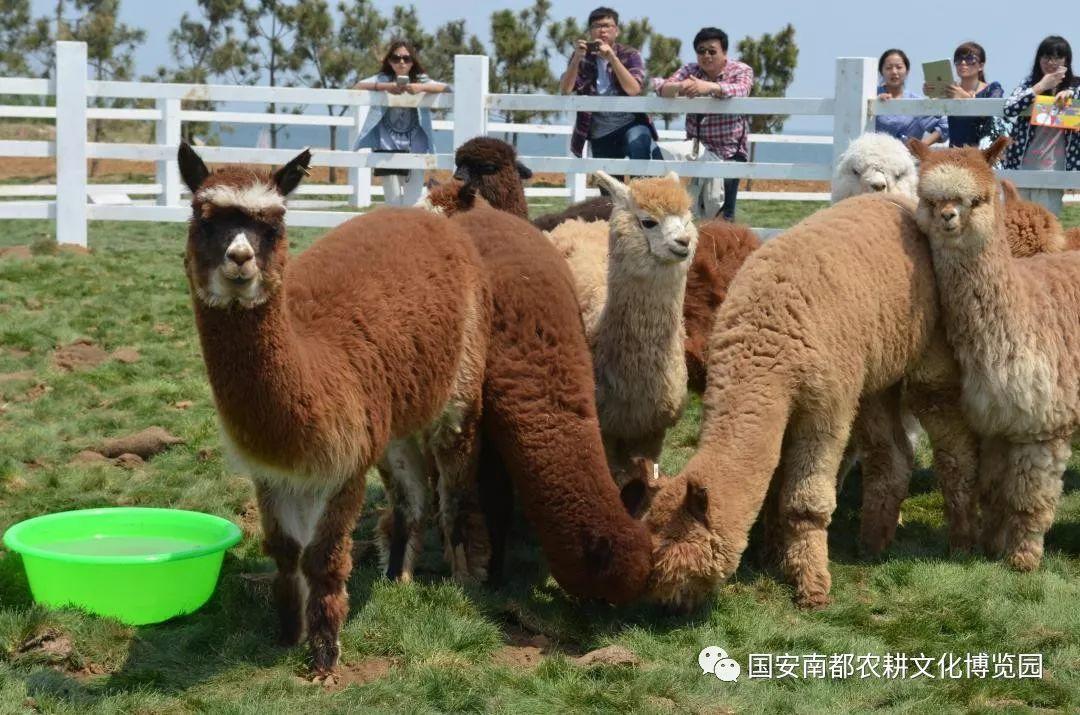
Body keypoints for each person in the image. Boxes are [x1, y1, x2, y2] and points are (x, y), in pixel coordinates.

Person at [658, 27, 754, 220]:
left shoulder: (741, 70)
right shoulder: (690, 70)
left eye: (712, 51)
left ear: (724, 52)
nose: (706, 55)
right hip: (697, 148)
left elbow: (742, 90)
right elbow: (661, 87)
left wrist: (708, 88)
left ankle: (724, 248)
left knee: (722, 214)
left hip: (730, 151)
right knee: (690, 210)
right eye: (701, 51)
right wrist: (681, 87)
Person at [353, 40, 448, 205]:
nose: (401, 62)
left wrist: (421, 88)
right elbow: (357, 87)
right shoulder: (383, 78)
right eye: (396, 58)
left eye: (406, 58)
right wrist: (385, 86)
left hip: (415, 148)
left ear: (413, 61)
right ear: (389, 61)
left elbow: (447, 89)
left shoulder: (420, 79)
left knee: (413, 202)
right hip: (386, 149)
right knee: (393, 203)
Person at [559, 6, 659, 161]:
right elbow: (566, 90)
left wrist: (613, 58)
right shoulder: (582, 57)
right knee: (608, 183)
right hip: (600, 131)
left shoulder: (630, 54)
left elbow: (634, 89)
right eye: (597, 26)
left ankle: (639, 186)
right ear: (590, 32)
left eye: (607, 26)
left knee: (639, 148)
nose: (602, 30)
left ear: (616, 31)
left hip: (631, 123)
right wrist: (576, 60)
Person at [1002, 35, 1080, 214]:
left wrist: (1069, 96)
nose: (1051, 62)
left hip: (1055, 168)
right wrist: (1040, 86)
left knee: (1046, 225)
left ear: (1067, 61)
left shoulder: (1076, 86)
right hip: (1021, 163)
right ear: (1038, 60)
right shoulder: (1029, 84)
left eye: (1058, 57)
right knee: (1017, 222)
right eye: (1046, 57)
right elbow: (1009, 109)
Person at [925, 41, 1003, 148]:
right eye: (958, 60)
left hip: (983, 154)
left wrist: (964, 97)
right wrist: (932, 93)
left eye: (970, 59)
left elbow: (992, 112)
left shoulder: (993, 88)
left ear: (981, 66)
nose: (963, 63)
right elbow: (935, 114)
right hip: (955, 153)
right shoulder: (950, 89)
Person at [874, 48, 948, 145]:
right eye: (888, 68)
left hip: (906, 159)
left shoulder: (916, 101)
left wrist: (922, 146)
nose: (894, 72)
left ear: (907, 71)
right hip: (874, 157)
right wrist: (875, 102)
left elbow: (944, 126)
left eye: (899, 67)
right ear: (881, 71)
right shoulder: (869, 95)